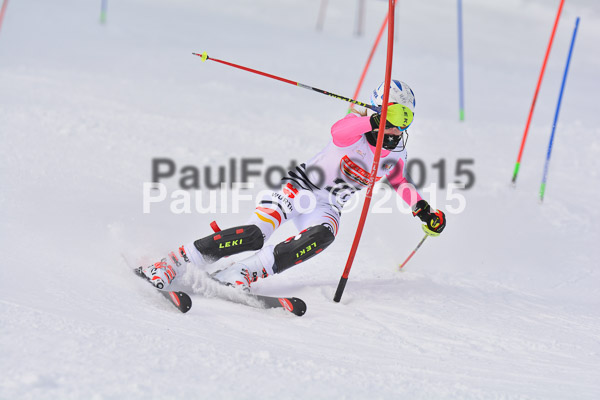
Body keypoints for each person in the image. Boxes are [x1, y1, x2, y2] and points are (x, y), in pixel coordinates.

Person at [141, 80, 446, 290]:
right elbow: (339, 132)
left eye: (406, 117)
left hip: (328, 205)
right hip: (301, 188)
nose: (397, 125)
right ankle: (175, 261)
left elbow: (399, 180)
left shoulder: (397, 152)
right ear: (378, 109)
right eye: (393, 113)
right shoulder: (356, 127)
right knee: (254, 235)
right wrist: (370, 122)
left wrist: (423, 210)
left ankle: (242, 273)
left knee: (323, 235)